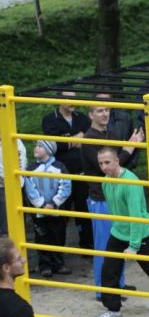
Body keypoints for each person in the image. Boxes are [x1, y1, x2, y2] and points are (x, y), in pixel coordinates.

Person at [82, 104, 144, 297]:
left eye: (107, 110)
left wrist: (128, 149)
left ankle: (117, 282)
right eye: (99, 110)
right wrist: (128, 148)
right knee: (104, 245)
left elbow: (119, 163)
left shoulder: (108, 134)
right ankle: (104, 289)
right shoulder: (90, 139)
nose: (105, 113)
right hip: (100, 197)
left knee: (118, 241)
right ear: (90, 114)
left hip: (115, 196)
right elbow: (108, 167)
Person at [95, 147, 149, 317]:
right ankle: (113, 308)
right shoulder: (105, 181)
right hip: (119, 232)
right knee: (108, 270)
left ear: (117, 161)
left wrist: (134, 246)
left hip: (140, 233)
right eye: (101, 163)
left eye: (107, 162)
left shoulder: (131, 183)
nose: (104, 167)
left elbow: (136, 216)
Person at [41, 92, 92, 249]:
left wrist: (68, 140)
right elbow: (55, 145)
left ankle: (87, 246)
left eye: (75, 97)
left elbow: (89, 138)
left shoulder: (82, 118)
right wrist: (77, 139)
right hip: (61, 177)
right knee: (60, 214)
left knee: (84, 211)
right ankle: (58, 251)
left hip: (81, 174)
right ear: (59, 101)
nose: (72, 101)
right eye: (68, 98)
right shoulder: (50, 120)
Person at [24, 140, 72, 278]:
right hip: (39, 212)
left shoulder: (59, 167)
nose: (36, 148)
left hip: (56, 210)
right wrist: (41, 204)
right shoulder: (31, 168)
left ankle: (58, 263)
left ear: (49, 150)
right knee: (41, 237)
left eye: (40, 146)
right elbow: (30, 189)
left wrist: (54, 202)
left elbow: (66, 186)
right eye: (36, 145)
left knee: (58, 235)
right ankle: (44, 265)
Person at [0, 133, 25, 236]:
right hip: (5, 184)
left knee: (11, 222)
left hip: (13, 185)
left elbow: (22, 160)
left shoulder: (14, 139)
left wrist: (15, 177)